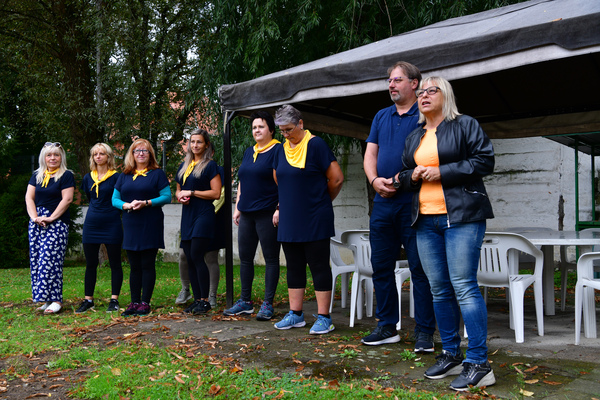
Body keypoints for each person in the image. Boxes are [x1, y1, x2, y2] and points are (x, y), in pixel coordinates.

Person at [397, 76, 495, 391]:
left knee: (464, 287)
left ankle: (479, 363)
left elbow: (485, 161)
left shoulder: (465, 125)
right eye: (420, 92)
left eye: (431, 90)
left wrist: (442, 172)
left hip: (462, 217)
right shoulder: (415, 136)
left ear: (445, 95)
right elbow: (402, 175)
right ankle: (451, 354)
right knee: (439, 289)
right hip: (425, 220)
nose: (423, 95)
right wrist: (412, 176)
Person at [361, 61, 436, 350]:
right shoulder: (381, 116)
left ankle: (425, 332)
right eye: (389, 81)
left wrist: (399, 180)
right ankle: (387, 326)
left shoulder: (425, 113)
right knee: (381, 266)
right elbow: (370, 154)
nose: (391, 85)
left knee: (420, 269)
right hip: (382, 203)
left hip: (415, 203)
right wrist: (374, 180)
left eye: (397, 80)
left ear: (414, 83)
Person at [272, 104, 344, 334]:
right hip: (289, 219)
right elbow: (279, 180)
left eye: (289, 129)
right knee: (293, 266)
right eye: (282, 131)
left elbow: (336, 179)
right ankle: (296, 314)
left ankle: (324, 317)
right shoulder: (280, 150)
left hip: (315, 217)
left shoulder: (316, 145)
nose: (286, 134)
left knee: (318, 265)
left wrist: (320, 200)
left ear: (301, 123)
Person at [225, 110, 281, 321]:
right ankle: (245, 302)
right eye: (254, 127)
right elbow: (243, 180)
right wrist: (238, 206)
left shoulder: (278, 150)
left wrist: (279, 208)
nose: (257, 130)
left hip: (268, 212)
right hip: (247, 213)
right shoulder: (250, 151)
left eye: (261, 126)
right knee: (245, 258)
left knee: (271, 258)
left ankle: (267, 304)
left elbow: (283, 182)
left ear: (271, 129)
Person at [112, 138, 171, 316]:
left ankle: (145, 302)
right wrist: (126, 205)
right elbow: (114, 199)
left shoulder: (157, 174)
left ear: (150, 154)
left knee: (147, 263)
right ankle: (134, 302)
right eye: (137, 150)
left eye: (145, 150)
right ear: (132, 154)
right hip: (131, 223)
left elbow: (167, 197)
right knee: (134, 265)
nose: (141, 154)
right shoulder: (124, 175)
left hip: (150, 222)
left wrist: (146, 202)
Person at [175, 129, 222, 315]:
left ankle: (205, 300)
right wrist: (180, 195)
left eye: (199, 142)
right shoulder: (183, 166)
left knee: (196, 254)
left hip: (203, 214)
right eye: (192, 141)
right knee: (189, 257)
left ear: (206, 145)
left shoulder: (210, 166)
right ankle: (196, 300)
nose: (195, 145)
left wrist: (192, 193)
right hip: (187, 215)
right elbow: (178, 189)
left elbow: (216, 193)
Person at [25, 142, 75, 314]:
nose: (52, 158)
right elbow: (29, 198)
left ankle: (57, 300)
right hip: (37, 222)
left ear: (61, 158)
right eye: (49, 155)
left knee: (51, 260)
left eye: (56, 155)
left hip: (56, 222)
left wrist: (51, 217)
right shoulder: (37, 175)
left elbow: (67, 199)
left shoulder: (66, 175)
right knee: (38, 260)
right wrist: (34, 217)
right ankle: (46, 299)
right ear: (43, 158)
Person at [76, 143, 123, 313]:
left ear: (108, 157)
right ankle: (88, 300)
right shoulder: (88, 177)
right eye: (95, 154)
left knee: (115, 263)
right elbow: (90, 198)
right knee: (91, 263)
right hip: (92, 223)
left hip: (112, 222)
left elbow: (119, 199)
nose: (98, 157)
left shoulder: (117, 177)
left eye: (102, 153)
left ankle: (114, 300)